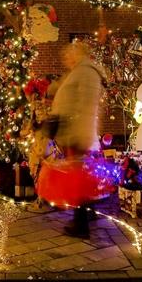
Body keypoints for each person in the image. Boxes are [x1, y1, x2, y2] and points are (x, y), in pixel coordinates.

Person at [48, 40, 106, 237]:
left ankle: (81, 224)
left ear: (78, 53)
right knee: (79, 174)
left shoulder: (86, 72)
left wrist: (77, 132)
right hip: (74, 130)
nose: (66, 58)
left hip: (77, 132)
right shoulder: (79, 71)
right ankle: (85, 217)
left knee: (77, 176)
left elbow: (84, 105)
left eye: (69, 54)